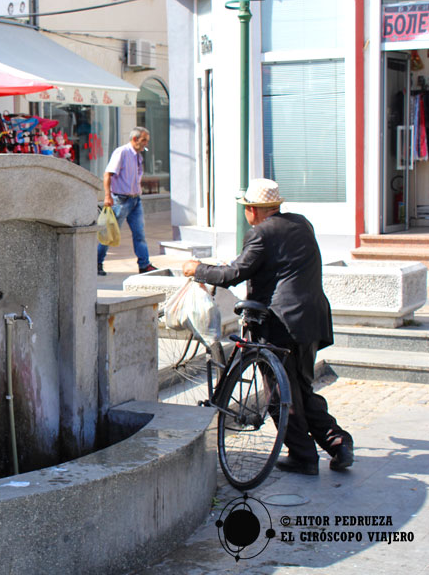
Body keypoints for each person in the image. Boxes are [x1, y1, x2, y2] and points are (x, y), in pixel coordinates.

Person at [181, 179, 354, 475]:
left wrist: (198, 270)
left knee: (278, 394)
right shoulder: (301, 224)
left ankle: (303, 456)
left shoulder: (260, 233)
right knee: (300, 386)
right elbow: (276, 265)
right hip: (311, 317)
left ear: (252, 210)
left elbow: (235, 274)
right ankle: (336, 441)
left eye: (246, 209)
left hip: (280, 322)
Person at [97, 126, 156, 276]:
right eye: (144, 140)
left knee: (139, 233)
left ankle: (144, 264)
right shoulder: (122, 152)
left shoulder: (138, 156)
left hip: (135, 200)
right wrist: (107, 196)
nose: (145, 144)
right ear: (135, 139)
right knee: (109, 233)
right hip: (120, 200)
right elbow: (107, 174)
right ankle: (96, 263)